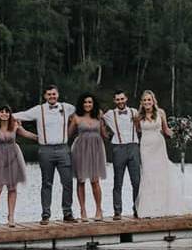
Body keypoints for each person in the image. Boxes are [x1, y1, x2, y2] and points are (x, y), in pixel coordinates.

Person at [13, 85, 77, 225]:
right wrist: (5, 116)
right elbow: (21, 114)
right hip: (45, 150)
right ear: (45, 96)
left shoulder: (67, 108)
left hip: (63, 149)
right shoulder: (38, 110)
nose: (52, 96)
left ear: (58, 95)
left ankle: (68, 213)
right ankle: (45, 215)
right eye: (49, 94)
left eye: (54, 94)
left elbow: (84, 109)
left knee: (67, 182)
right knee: (46, 183)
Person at [134, 89, 185, 217]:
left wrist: (180, 131)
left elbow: (166, 130)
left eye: (149, 100)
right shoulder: (138, 116)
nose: (147, 102)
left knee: (161, 174)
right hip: (145, 147)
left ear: (153, 101)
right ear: (142, 102)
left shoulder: (160, 113)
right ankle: (148, 209)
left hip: (159, 146)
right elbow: (137, 131)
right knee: (148, 175)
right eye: (145, 100)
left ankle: (163, 207)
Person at [0, 105, 37, 227]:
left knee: (12, 188)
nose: (4, 114)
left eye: (7, 112)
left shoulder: (15, 125)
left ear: (10, 114)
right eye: (2, 112)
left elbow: (27, 134)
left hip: (13, 156)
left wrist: (41, 138)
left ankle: (11, 217)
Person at [69, 93, 108, 221]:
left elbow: (104, 134)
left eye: (90, 102)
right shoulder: (76, 117)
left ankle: (98, 209)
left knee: (95, 181)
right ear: (81, 104)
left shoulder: (99, 115)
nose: (87, 104)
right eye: (85, 102)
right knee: (81, 180)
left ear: (93, 104)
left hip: (96, 149)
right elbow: (67, 135)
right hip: (80, 149)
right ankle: (83, 210)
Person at [103, 89, 141, 220]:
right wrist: (105, 134)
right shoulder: (109, 114)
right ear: (114, 101)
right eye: (117, 99)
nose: (120, 101)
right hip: (118, 148)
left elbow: (141, 126)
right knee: (118, 181)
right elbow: (98, 118)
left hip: (134, 146)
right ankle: (117, 211)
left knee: (136, 181)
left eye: (122, 99)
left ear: (126, 99)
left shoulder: (134, 112)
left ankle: (137, 209)